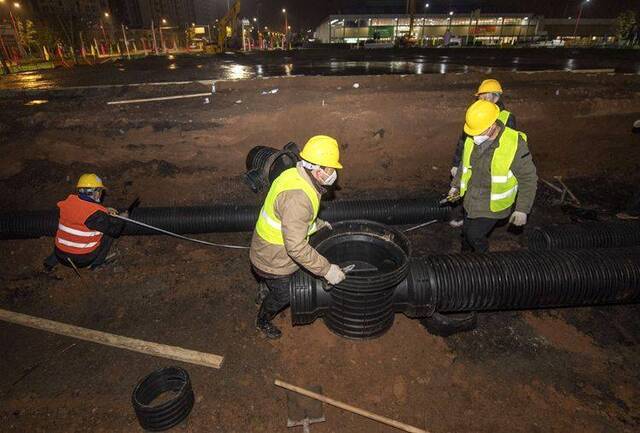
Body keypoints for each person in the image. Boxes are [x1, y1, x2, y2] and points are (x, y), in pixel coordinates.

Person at [250, 135, 346, 339]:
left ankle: (263, 290)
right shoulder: (299, 198)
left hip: (266, 247)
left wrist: (316, 224)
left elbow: (292, 218)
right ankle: (262, 320)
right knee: (283, 294)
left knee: (272, 284)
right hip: (272, 260)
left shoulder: (296, 173)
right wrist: (327, 270)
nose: (334, 174)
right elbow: (296, 247)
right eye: (330, 169)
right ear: (317, 169)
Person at [449, 100, 537, 253]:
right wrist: (456, 186)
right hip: (472, 198)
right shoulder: (473, 139)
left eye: (478, 131)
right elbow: (465, 165)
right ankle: (463, 264)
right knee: (466, 233)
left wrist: (522, 209)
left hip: (492, 204)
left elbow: (528, 178)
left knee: (474, 235)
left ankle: (486, 265)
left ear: (492, 126)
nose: (474, 136)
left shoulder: (514, 144)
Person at [449, 78, 517, 227]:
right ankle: (464, 216)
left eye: (486, 96)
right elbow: (464, 140)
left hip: (490, 165)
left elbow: (511, 146)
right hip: (472, 160)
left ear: (496, 97)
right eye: (480, 96)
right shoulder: (477, 112)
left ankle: (481, 220)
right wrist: (456, 163)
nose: (482, 99)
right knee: (466, 187)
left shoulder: (506, 118)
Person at [44, 173, 126, 272]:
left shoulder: (67, 203)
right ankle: (96, 264)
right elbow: (115, 231)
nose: (101, 194)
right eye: (100, 191)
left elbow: (82, 211)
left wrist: (104, 210)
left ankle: (49, 263)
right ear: (95, 192)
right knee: (108, 234)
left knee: (68, 235)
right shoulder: (96, 214)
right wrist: (122, 219)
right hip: (81, 259)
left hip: (60, 255)